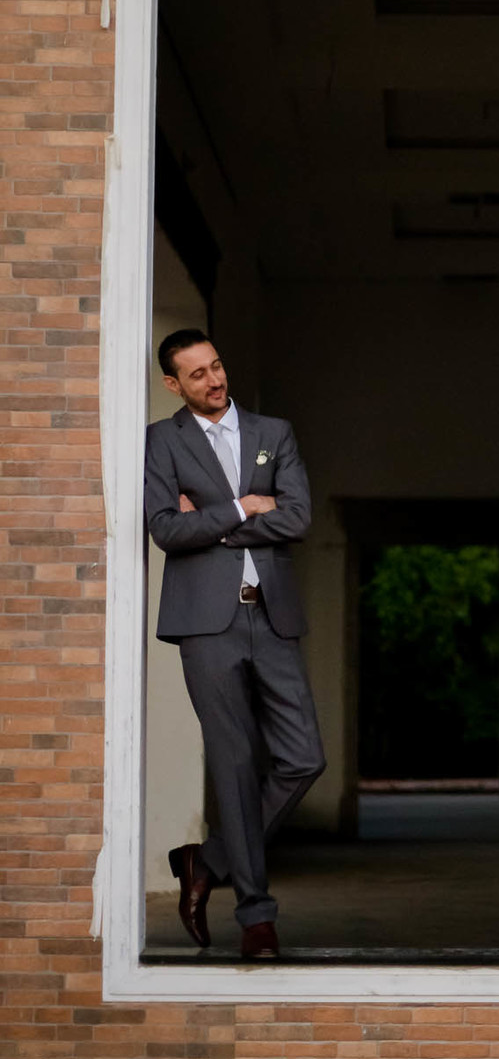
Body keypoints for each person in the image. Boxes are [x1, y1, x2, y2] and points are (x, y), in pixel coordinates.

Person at [143, 329, 325, 960]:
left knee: (303, 757)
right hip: (205, 625)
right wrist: (246, 507)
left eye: (216, 366)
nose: (214, 380)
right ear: (174, 384)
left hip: (270, 617)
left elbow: (299, 518)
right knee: (236, 764)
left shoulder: (274, 433)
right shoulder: (162, 441)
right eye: (197, 375)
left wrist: (213, 523)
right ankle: (257, 917)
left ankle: (206, 860)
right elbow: (166, 528)